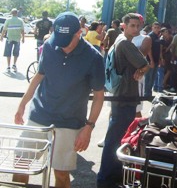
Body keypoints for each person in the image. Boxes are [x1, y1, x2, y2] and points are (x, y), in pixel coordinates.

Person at [13, 11, 105, 187]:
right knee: (21, 164)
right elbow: (39, 76)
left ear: (80, 33)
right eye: (59, 39)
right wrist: (23, 103)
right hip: (41, 113)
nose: (62, 46)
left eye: (67, 41)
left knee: (61, 172)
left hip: (70, 119)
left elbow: (99, 96)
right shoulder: (49, 45)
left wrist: (89, 127)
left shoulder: (93, 57)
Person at [97, 13, 149, 188]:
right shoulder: (126, 44)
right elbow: (145, 64)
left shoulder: (118, 41)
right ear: (124, 26)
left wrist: (141, 69)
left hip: (120, 94)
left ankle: (111, 176)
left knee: (116, 137)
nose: (136, 28)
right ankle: (107, 178)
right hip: (125, 96)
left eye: (138, 26)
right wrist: (142, 69)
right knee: (117, 139)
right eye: (132, 25)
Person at [144, 22, 161, 96]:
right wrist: (151, 60)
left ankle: (149, 92)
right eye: (155, 27)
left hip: (156, 59)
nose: (156, 29)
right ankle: (146, 93)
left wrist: (160, 58)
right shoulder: (150, 36)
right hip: (150, 60)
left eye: (158, 27)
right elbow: (149, 49)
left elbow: (159, 48)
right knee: (148, 77)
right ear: (152, 28)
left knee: (153, 77)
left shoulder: (157, 36)